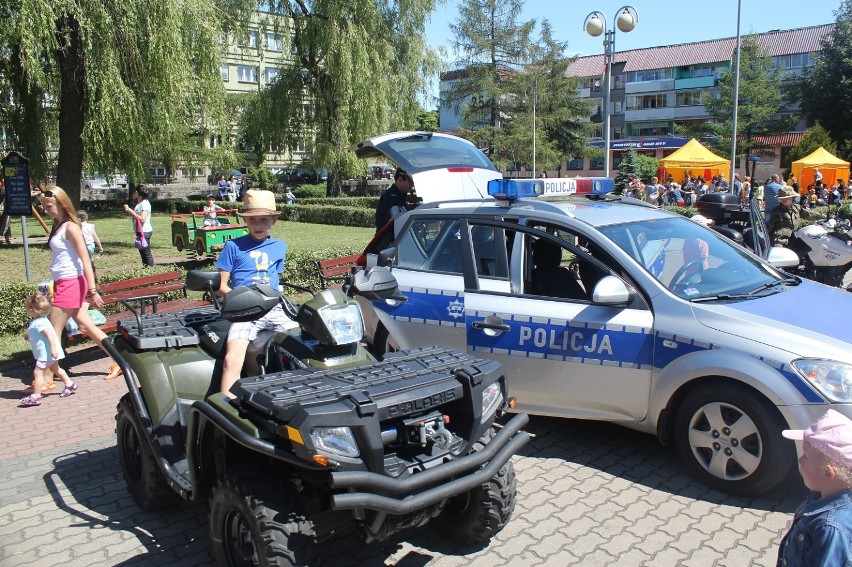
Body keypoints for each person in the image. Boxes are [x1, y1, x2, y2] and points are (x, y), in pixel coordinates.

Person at [216, 189, 296, 397]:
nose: (257, 225)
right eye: (252, 220)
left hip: (274, 307)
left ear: (274, 221)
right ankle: (227, 405)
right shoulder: (233, 246)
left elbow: (275, 280)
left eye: (263, 220)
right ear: (245, 221)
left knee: (302, 344)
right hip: (245, 310)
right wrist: (240, 301)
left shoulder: (279, 247)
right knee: (232, 359)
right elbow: (221, 286)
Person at [777, 410, 852, 566]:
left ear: (827, 472)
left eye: (805, 455)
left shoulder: (830, 529)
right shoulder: (821, 496)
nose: (800, 460)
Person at [40, 186, 107, 355]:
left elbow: (85, 259)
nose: (45, 210)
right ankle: (119, 360)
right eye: (44, 207)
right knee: (85, 325)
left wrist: (93, 291)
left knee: (54, 331)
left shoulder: (71, 227)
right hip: (66, 282)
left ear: (61, 204)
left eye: (49, 207)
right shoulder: (60, 225)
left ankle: (46, 378)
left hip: (70, 284)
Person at [19, 292, 78, 407]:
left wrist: (53, 349)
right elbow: (41, 334)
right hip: (49, 354)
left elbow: (50, 336)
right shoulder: (41, 321)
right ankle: (69, 384)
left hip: (46, 354)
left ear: (32, 310)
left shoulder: (39, 323)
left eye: (26, 309)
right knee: (56, 369)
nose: (26, 311)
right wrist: (30, 336)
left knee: (38, 372)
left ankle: (36, 396)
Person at [124, 185, 154, 267]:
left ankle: (150, 271)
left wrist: (131, 211)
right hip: (140, 231)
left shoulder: (145, 204)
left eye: (135, 191)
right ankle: (146, 269)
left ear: (137, 192)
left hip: (145, 231)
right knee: (143, 252)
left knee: (146, 253)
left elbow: (142, 219)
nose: (134, 193)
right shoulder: (140, 203)